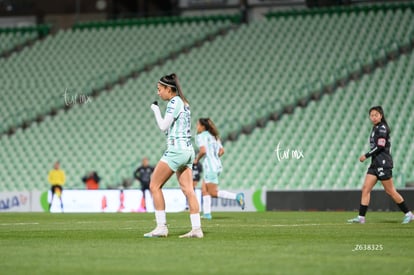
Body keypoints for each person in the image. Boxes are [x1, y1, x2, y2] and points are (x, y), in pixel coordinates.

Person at [144, 73, 203, 238]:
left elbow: (163, 126)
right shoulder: (184, 103)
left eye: (159, 89)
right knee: (189, 190)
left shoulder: (174, 102)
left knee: (154, 186)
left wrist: (155, 110)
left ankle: (161, 227)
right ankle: (196, 229)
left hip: (176, 151)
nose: (158, 93)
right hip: (188, 151)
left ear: (169, 89)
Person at [348, 106, 413, 224]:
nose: (373, 117)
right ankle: (361, 217)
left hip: (383, 163)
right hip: (375, 164)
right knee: (366, 189)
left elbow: (380, 146)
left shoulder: (382, 128)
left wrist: (366, 155)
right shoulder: (375, 128)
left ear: (381, 116)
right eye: (371, 115)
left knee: (390, 191)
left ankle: (409, 214)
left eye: (376, 115)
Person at [194, 118, 245, 220]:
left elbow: (203, 151)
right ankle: (207, 214)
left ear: (203, 126)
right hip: (216, 165)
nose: (196, 127)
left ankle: (237, 197)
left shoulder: (200, 136)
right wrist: (214, 157)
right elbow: (222, 151)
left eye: (198, 125)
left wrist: (196, 159)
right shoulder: (214, 137)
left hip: (210, 167)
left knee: (212, 192)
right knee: (204, 190)